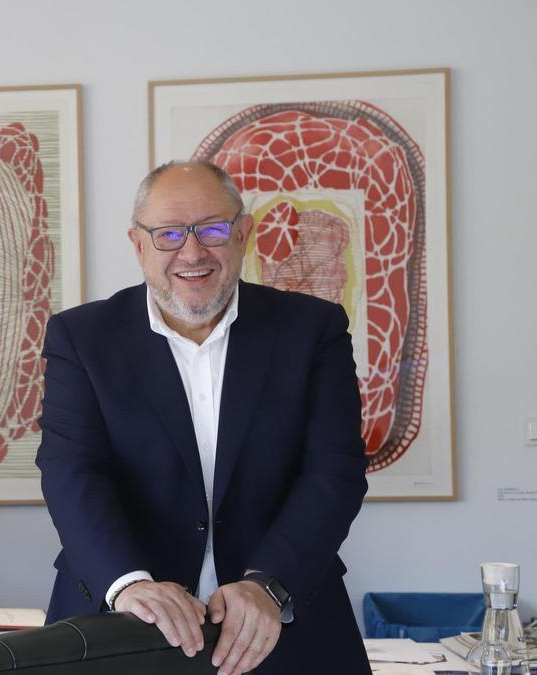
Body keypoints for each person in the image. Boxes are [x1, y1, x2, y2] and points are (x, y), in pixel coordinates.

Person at [36, 161, 370, 675]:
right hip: (123, 623)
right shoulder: (82, 338)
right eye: (168, 234)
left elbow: (335, 471)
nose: (192, 253)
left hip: (284, 624)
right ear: (138, 243)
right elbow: (71, 471)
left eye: (212, 230)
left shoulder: (312, 329)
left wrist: (270, 584)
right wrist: (129, 584)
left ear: (242, 233)